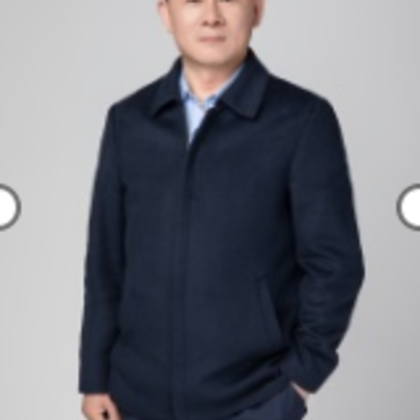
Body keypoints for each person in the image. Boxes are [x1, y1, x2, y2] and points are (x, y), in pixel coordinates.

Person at [78, 1, 365, 420]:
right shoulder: (129, 121)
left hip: (252, 400)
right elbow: (106, 264)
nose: (211, 15)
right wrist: (95, 378)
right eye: (192, 0)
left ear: (257, 10)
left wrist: (300, 381)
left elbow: (335, 264)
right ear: (165, 14)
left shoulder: (301, 120)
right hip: (131, 400)